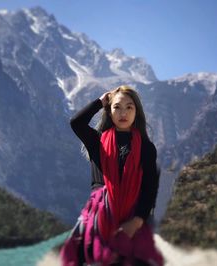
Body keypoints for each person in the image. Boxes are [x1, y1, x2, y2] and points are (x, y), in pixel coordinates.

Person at [61, 85, 164, 265]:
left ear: (136, 112)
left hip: (133, 218)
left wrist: (137, 221)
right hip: (99, 217)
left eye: (129, 107)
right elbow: (76, 123)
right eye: (117, 107)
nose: (123, 112)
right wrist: (100, 101)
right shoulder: (97, 141)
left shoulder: (146, 148)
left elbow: (150, 187)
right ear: (109, 111)